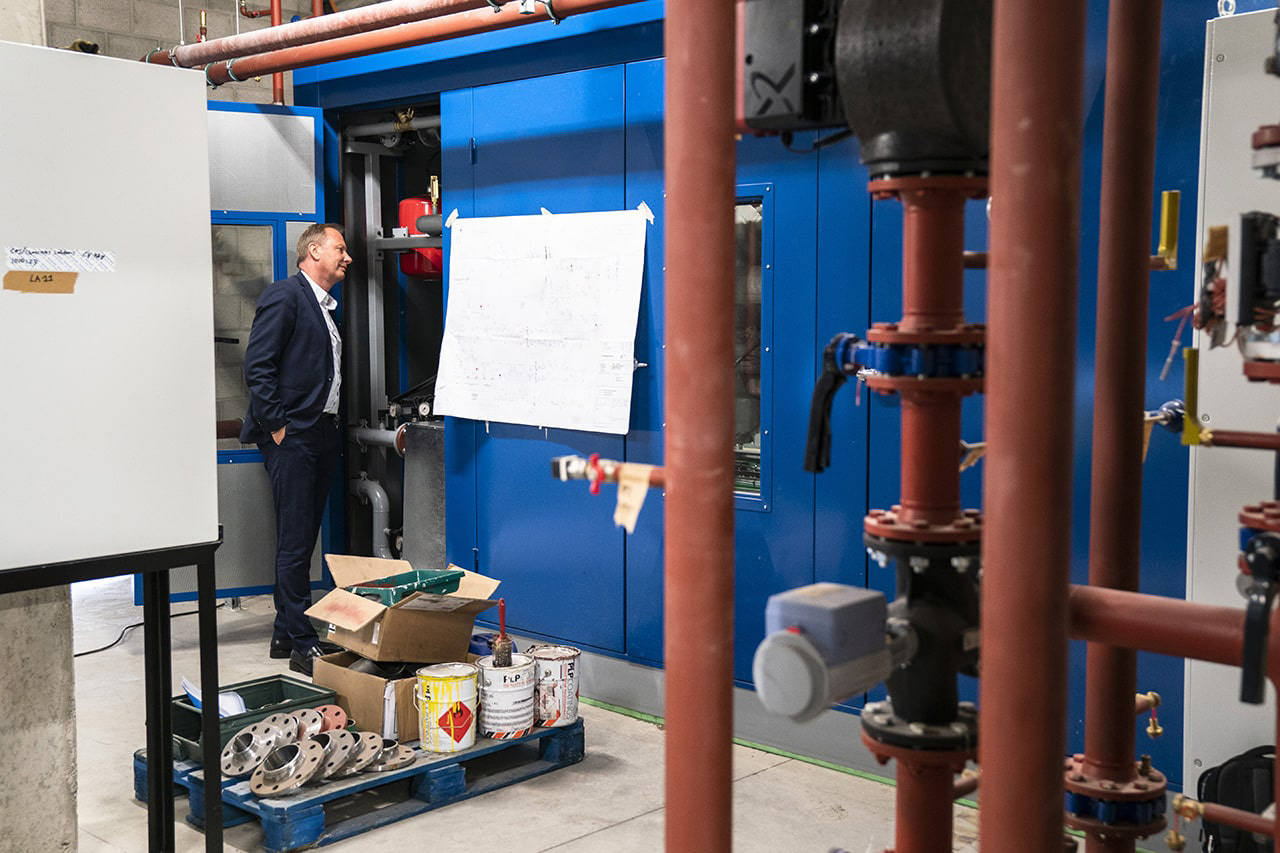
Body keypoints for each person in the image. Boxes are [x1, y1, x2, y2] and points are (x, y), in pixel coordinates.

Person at [240, 223, 351, 676]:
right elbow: (258, 364)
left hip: (320, 432)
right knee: (294, 539)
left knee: (302, 538)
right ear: (313, 250)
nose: (347, 258)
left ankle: (285, 631)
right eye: (339, 249)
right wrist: (278, 427)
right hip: (294, 435)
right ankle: (304, 643)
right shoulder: (286, 295)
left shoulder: (325, 307)